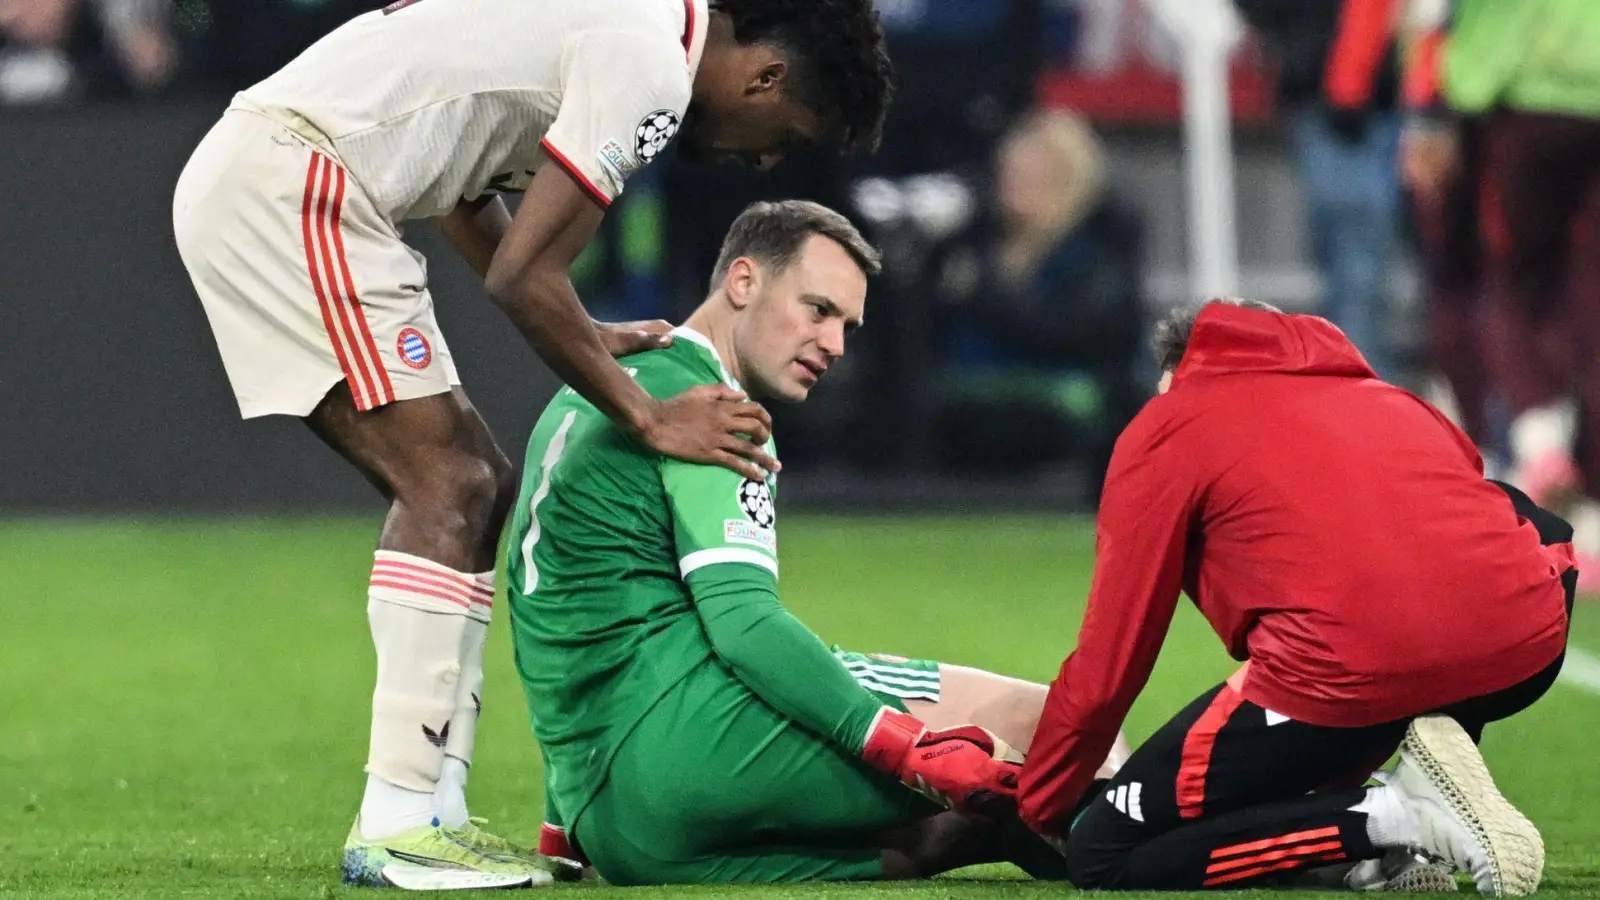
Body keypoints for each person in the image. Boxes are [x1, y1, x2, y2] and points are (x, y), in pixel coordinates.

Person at [170, 0, 893, 889]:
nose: (768, 158)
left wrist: (583, 329)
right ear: (766, 76)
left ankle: (429, 813)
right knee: (452, 484)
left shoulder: (628, 25)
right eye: (788, 131)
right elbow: (523, 277)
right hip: (299, 182)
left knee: (470, 483)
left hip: (299, 177)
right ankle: (398, 821)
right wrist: (648, 414)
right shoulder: (652, 70)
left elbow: (468, 195)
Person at [505, 200, 1131, 886]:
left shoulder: (593, 386)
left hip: (622, 828)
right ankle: (1163, 843)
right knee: (1053, 721)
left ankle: (1047, 833)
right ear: (743, 283)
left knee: (934, 836)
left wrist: (565, 811)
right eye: (818, 310)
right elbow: (744, 626)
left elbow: (549, 601)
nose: (835, 343)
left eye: (848, 326)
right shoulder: (712, 412)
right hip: (692, 752)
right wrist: (899, 743)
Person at [1018, 298, 1574, 895]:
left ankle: (1393, 818)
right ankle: (1404, 808)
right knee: (1466, 567)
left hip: (1348, 671)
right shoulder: (1398, 402)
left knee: (1102, 853)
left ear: (1181, 369)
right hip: (1526, 649)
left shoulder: (1169, 424)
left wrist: (1041, 805)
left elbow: (1110, 666)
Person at [931, 110, 1144, 482]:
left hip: (1056, 407)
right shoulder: (973, 244)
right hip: (969, 397)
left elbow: (1076, 331)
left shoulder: (1097, 252)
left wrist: (983, 295)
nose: (1014, 188)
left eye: (1031, 178)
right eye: (1010, 176)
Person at [1234, 0, 1405, 379]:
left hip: (1397, 98)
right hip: (1338, 102)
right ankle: (1361, 408)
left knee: (1358, 271)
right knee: (1354, 271)